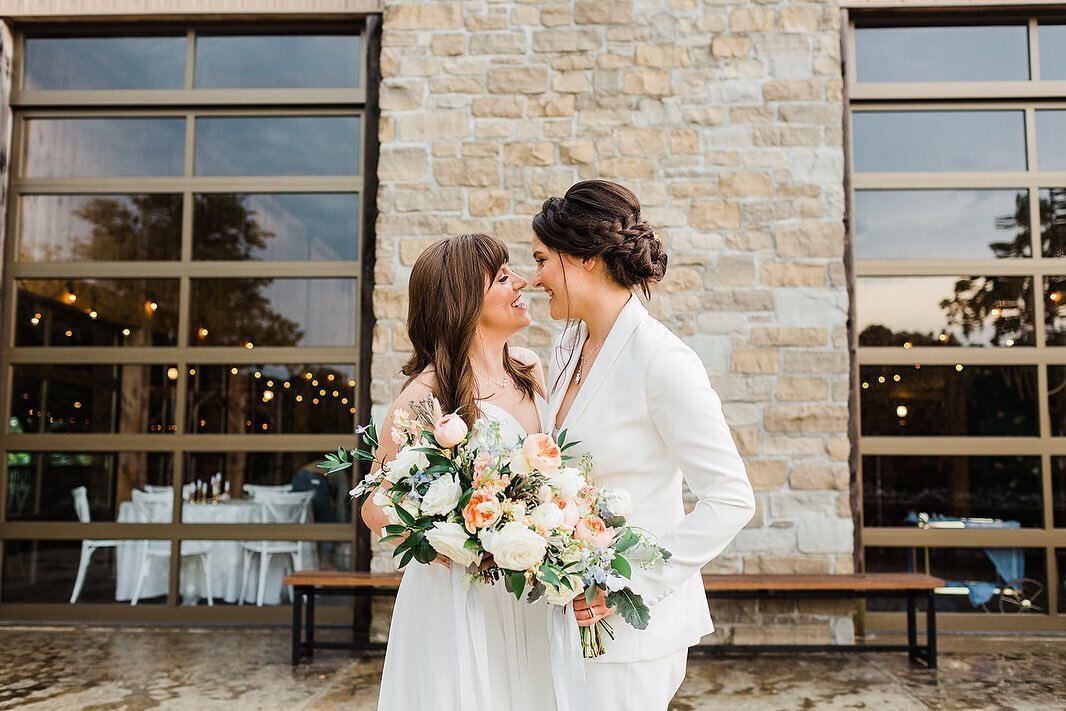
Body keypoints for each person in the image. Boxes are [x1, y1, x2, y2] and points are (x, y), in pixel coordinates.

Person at [530, 180, 756, 710]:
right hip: (565, 619)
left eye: (542, 260)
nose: (535, 277)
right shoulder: (570, 345)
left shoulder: (663, 361)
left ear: (584, 258)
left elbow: (731, 499)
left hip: (632, 634)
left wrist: (626, 583)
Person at [360, 233, 560, 711]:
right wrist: (447, 537)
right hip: (460, 596)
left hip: (525, 584)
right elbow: (374, 505)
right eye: (502, 277)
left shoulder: (530, 369)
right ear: (465, 300)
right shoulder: (426, 394)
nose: (521, 284)